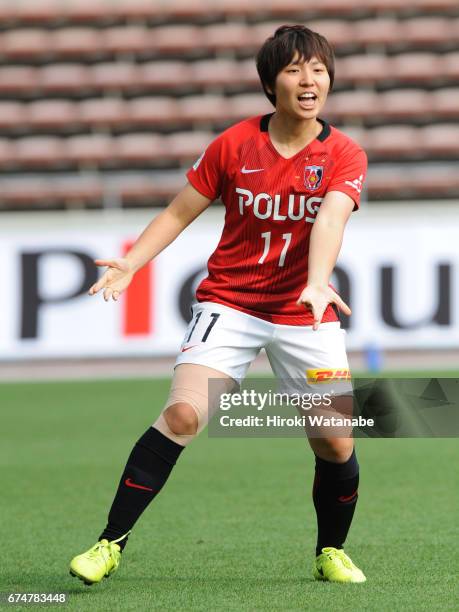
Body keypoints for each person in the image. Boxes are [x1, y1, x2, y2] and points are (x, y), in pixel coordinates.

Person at [69, 24, 368, 585]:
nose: (310, 80)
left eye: (319, 70)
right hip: (230, 304)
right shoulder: (233, 144)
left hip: (306, 310)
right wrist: (133, 261)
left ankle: (331, 551)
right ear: (270, 82)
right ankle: (108, 544)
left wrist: (317, 279)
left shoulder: (345, 153)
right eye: (295, 69)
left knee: (334, 440)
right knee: (183, 415)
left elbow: (331, 218)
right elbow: (180, 212)